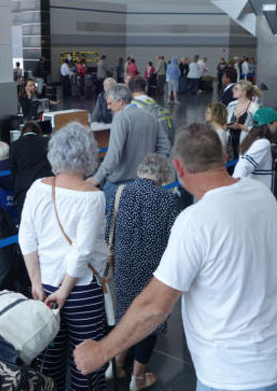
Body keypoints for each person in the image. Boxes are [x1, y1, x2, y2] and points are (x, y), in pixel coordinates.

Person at [74, 123, 277, 391]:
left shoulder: (196, 219)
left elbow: (154, 306)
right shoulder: (262, 194)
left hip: (233, 375)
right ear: (225, 157)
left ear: (179, 169)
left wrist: (101, 352)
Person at [19, 122, 108, 391]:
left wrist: (35, 283)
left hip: (43, 287)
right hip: (81, 291)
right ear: (89, 155)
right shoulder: (93, 197)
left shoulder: (38, 187)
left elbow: (26, 237)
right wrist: (65, 291)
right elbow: (81, 252)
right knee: (86, 362)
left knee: (48, 360)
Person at [104, 153, 179, 390]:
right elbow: (174, 240)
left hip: (124, 265)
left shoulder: (119, 193)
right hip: (154, 270)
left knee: (126, 314)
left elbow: (108, 234)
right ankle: (138, 378)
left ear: (140, 171)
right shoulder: (168, 199)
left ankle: (115, 364)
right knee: (149, 318)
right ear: (163, 176)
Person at [87, 84, 171, 203]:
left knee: (106, 216)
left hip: (120, 183)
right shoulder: (150, 116)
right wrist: (153, 172)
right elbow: (165, 147)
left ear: (120, 101)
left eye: (110, 103)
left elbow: (114, 154)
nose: (108, 108)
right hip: (147, 182)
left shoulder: (120, 117)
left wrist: (97, 178)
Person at [233, 107, 277, 189]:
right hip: (257, 192)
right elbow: (244, 164)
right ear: (269, 124)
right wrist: (234, 187)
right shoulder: (263, 143)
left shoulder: (249, 139)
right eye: (276, 121)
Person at [9, 121, 53, 215]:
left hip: (23, 189)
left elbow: (13, 170)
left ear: (22, 133)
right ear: (39, 132)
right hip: (45, 186)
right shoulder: (47, 142)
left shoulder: (14, 145)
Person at [225, 80, 260, 158]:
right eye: (234, 89)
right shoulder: (231, 105)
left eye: (236, 89)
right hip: (229, 144)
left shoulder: (254, 107)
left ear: (244, 92)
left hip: (245, 144)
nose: (233, 91)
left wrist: (242, 127)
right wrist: (228, 125)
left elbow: (258, 128)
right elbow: (224, 121)